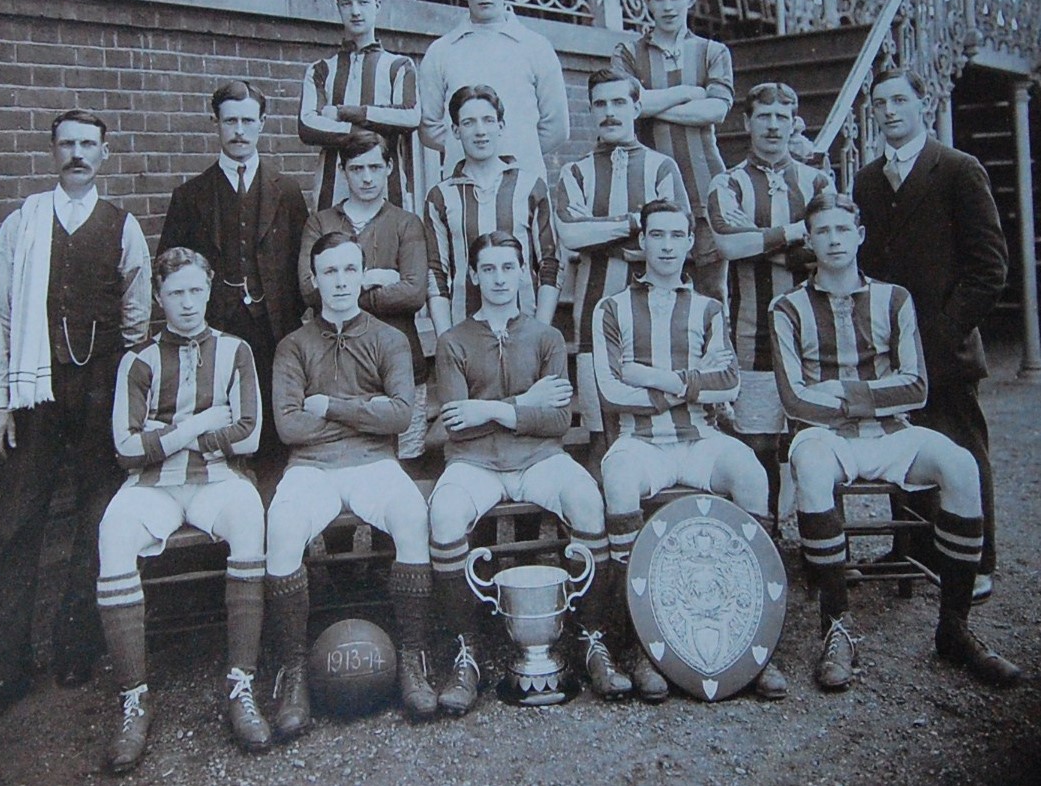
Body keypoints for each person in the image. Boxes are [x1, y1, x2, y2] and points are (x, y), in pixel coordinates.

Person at [770, 192, 1020, 692]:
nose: (834, 240)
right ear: (810, 240)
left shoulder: (895, 298)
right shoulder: (788, 307)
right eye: (823, 231)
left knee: (961, 465)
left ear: (859, 235)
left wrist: (842, 390)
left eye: (843, 229)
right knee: (814, 468)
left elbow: (917, 386)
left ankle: (954, 628)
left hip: (892, 434)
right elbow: (795, 400)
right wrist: (869, 396)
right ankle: (835, 630)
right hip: (823, 435)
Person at [0, 109, 151, 729]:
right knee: (19, 521)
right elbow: (1, 315)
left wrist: (120, 388)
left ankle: (76, 646)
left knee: (97, 518)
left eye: (88, 145)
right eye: (67, 144)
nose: (77, 154)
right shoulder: (22, 224)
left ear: (104, 152)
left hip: (99, 390)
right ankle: (5, 666)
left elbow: (136, 313)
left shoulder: (123, 227)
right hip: (33, 391)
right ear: (52, 152)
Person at [429, 231, 631, 715]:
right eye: (489, 269)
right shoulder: (453, 341)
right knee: (443, 512)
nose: (500, 279)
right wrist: (522, 404)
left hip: (541, 458)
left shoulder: (546, 337)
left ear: (522, 273)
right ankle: (466, 651)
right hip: (475, 463)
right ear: (474, 276)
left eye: (508, 268)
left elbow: (559, 420)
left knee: (586, 499)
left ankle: (591, 636)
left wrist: (490, 410)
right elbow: (458, 425)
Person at [593, 199, 784, 703]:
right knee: (617, 482)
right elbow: (612, 393)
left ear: (687, 242)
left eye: (677, 235)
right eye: (657, 235)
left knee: (751, 476)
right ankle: (636, 644)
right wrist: (693, 382)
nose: (667, 246)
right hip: (640, 442)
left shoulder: (709, 307)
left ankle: (756, 646)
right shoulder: (610, 308)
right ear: (642, 242)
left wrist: (658, 377)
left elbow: (728, 384)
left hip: (701, 438)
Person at [97, 248, 267, 772]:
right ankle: (134, 698)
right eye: (176, 293)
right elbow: (125, 449)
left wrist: (162, 435)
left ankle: (241, 684)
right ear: (158, 298)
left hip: (216, 480)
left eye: (196, 291)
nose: (188, 303)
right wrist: (196, 427)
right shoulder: (140, 360)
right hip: (153, 486)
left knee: (248, 516)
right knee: (114, 531)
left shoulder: (236, 350)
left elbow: (251, 434)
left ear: (210, 290)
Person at [265, 231, 435, 737]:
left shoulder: (389, 339)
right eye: (330, 272)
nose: (341, 282)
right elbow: (289, 427)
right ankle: (293, 671)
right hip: (311, 466)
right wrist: (368, 414)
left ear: (363, 275)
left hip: (372, 465)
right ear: (314, 281)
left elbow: (402, 416)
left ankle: (412, 658)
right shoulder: (293, 346)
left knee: (409, 513)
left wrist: (334, 407)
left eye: (349, 270)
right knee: (282, 525)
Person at [853, 68, 1008, 602]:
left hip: (945, 347)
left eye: (900, 100)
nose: (890, 111)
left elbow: (989, 267)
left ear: (923, 104)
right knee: (901, 445)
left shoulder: (959, 169)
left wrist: (941, 333)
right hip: (889, 347)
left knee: (961, 448)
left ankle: (977, 559)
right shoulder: (869, 180)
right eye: (880, 103)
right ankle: (912, 548)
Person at [158, 80, 308, 459]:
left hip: (274, 328)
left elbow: (300, 263)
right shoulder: (190, 196)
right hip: (215, 329)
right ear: (216, 124)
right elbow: (169, 268)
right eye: (230, 121)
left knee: (272, 423)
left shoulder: (287, 191)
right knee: (221, 418)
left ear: (261, 124)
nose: (239, 131)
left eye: (247, 121)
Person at [707, 81, 833, 527]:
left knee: (816, 439)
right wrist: (796, 232)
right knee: (759, 443)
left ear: (795, 121)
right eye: (764, 116)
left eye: (783, 116)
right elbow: (728, 245)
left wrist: (761, 239)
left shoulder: (817, 180)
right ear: (747, 123)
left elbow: (828, 249)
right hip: (751, 328)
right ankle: (768, 542)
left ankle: (823, 550)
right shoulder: (729, 183)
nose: (774, 126)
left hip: (814, 329)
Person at [555, 66, 689, 457]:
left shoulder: (662, 167)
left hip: (657, 314)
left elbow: (674, 240)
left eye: (619, 102)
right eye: (600, 104)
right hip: (593, 310)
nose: (609, 112)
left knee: (658, 425)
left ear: (636, 107)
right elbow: (571, 235)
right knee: (601, 430)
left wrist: (599, 236)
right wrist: (635, 223)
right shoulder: (575, 171)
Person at [299, 131, 430, 460]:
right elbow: (308, 289)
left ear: (388, 168)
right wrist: (372, 278)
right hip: (335, 365)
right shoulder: (321, 223)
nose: (367, 177)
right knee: (342, 457)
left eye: (375, 167)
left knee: (406, 461)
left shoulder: (407, 224)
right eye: (357, 169)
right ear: (343, 171)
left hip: (399, 362)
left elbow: (414, 293)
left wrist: (341, 291)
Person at [612, 0, 734, 307]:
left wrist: (648, 102)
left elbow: (717, 110)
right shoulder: (629, 53)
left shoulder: (713, 52)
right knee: (654, 289)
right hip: (649, 189)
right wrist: (689, 92)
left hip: (704, 185)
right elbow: (624, 104)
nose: (668, 7)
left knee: (712, 291)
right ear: (648, 3)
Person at [419, 0, 569, 180]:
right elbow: (429, 125)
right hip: (464, 181)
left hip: (522, 179)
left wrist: (517, 148)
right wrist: (467, 148)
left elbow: (556, 126)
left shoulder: (536, 47)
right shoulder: (442, 51)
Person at [425, 84, 560, 335]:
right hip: (464, 333)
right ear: (455, 130)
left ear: (501, 126)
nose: (480, 131)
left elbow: (549, 265)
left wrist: (540, 332)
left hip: (525, 330)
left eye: (488, 120)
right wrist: (447, 340)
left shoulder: (531, 186)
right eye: (468, 123)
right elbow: (436, 273)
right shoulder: (441, 195)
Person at [297, 0, 420, 211]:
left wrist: (345, 113)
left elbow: (409, 116)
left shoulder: (399, 66)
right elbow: (307, 126)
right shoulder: (321, 69)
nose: (355, 11)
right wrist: (375, 129)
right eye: (346, 4)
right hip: (333, 190)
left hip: (387, 188)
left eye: (363, 2)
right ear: (338, 8)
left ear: (377, 5)